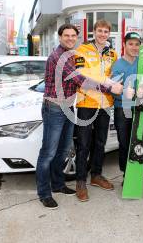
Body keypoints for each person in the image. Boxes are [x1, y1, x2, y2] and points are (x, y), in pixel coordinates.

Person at [74, 19, 123, 202]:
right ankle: (80, 181)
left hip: (104, 104)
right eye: (99, 31)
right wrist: (106, 84)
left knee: (100, 142)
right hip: (86, 103)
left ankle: (96, 175)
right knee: (84, 144)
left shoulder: (113, 54)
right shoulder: (82, 50)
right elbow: (81, 74)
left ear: (109, 34)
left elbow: (117, 77)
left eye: (105, 31)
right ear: (94, 32)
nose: (102, 34)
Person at [36, 24, 83, 209]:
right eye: (67, 35)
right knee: (48, 153)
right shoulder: (58, 57)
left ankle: (58, 185)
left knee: (63, 151)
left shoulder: (71, 55)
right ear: (60, 37)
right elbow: (81, 80)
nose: (70, 38)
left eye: (73, 35)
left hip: (68, 107)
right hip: (54, 108)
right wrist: (110, 86)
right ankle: (44, 193)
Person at [111, 32, 143, 183]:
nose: (134, 47)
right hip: (123, 108)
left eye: (137, 44)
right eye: (130, 44)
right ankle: (127, 174)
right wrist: (125, 91)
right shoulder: (118, 64)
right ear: (124, 45)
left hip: (142, 107)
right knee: (125, 142)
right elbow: (113, 88)